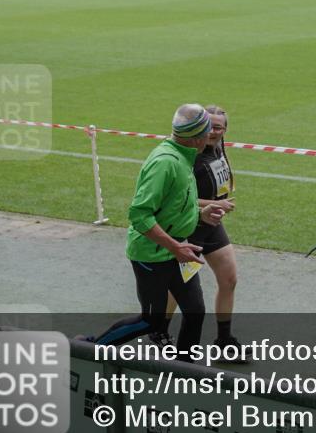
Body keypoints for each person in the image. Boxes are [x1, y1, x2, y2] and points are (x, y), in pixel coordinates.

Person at [84, 104, 225, 360]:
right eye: (208, 131)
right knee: (152, 321)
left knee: (195, 311)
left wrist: (200, 214)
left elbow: (176, 202)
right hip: (152, 255)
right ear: (196, 138)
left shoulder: (184, 156)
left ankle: (185, 372)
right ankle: (90, 349)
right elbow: (139, 214)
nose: (213, 136)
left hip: (176, 251)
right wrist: (175, 247)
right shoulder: (165, 163)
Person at [165, 105, 249, 362]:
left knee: (229, 279)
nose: (213, 131)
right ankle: (159, 335)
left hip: (212, 225)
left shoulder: (217, 146)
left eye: (219, 127)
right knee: (175, 291)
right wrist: (211, 204)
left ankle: (224, 341)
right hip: (190, 227)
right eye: (208, 126)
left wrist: (218, 202)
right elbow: (178, 199)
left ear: (226, 130)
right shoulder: (191, 155)